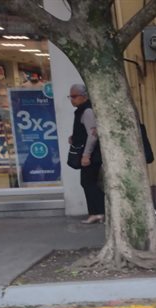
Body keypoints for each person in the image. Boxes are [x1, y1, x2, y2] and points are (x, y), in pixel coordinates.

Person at [68, 84, 104, 224]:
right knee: (89, 182)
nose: (72, 100)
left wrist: (86, 155)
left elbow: (92, 135)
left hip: (91, 155)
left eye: (74, 96)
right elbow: (85, 131)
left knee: (88, 182)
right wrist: (74, 136)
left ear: (83, 96)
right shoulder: (81, 111)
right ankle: (97, 212)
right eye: (70, 97)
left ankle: (98, 212)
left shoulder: (87, 111)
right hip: (88, 153)